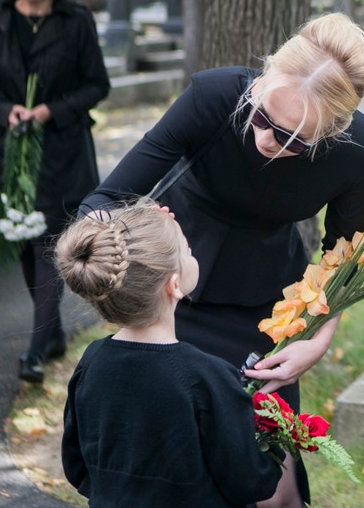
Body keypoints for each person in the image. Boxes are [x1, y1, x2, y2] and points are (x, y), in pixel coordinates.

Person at [78, 12, 364, 507]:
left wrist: (318, 339)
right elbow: (107, 197)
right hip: (173, 296)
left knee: (272, 486)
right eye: (262, 117)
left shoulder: (358, 149)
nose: (266, 139)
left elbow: (342, 257)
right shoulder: (214, 96)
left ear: (333, 131)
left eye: (293, 139)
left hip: (267, 307)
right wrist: (109, 253)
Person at [56, 199, 283, 507]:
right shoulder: (207, 377)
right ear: (174, 285)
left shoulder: (91, 364)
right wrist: (273, 447)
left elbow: (77, 465)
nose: (192, 254)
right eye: (187, 251)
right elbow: (250, 481)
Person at [0, 0, 110, 384]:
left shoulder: (75, 20)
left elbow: (98, 85)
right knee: (22, 237)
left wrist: (51, 110)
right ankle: (51, 335)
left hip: (61, 150)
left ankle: (35, 349)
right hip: (10, 151)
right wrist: (4, 108)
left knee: (47, 243)